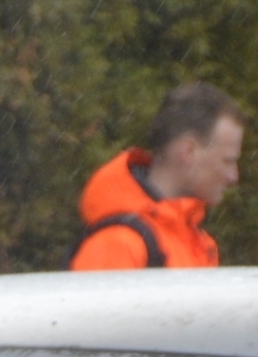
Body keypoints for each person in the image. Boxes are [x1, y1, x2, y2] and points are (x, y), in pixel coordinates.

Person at [72, 82, 245, 270]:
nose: (233, 176)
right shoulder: (120, 244)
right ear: (189, 151)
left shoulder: (195, 241)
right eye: (227, 161)